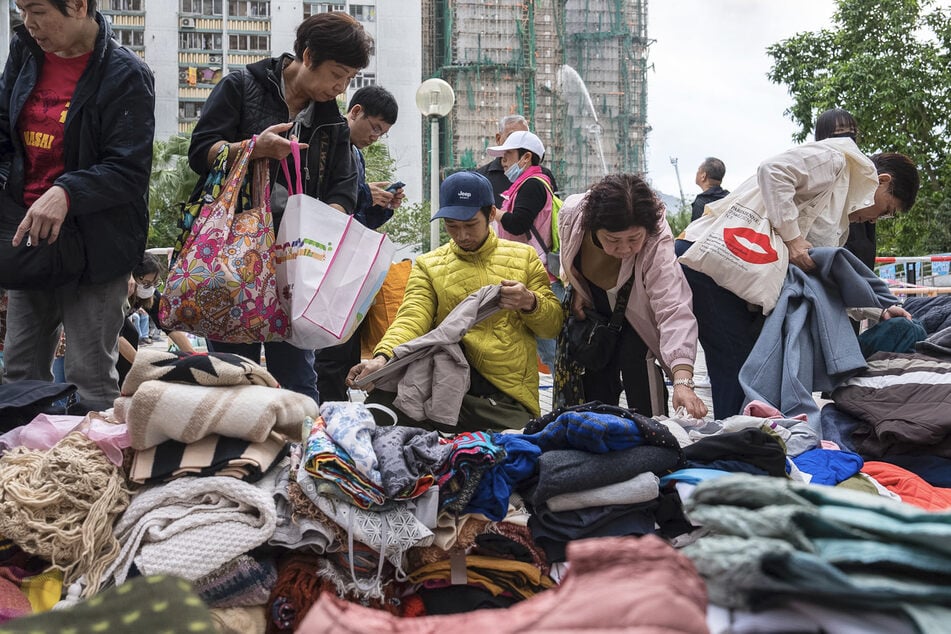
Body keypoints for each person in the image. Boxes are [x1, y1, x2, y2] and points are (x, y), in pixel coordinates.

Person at [186, 11, 373, 403]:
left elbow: (344, 188)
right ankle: (237, 458)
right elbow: (201, 151)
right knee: (233, 374)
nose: (340, 87)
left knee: (299, 381)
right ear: (307, 56)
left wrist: (325, 222)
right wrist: (252, 149)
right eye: (337, 74)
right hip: (234, 258)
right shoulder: (241, 86)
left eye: (349, 79)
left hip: (294, 267)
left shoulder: (333, 122)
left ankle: (303, 459)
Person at [675, 137, 920, 419]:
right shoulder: (836, 160)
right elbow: (772, 171)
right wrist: (792, 239)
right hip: (709, 263)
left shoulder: (839, 217)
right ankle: (736, 446)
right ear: (883, 181)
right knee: (739, 364)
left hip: (730, 275)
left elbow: (825, 278)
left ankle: (741, 441)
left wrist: (879, 309)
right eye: (886, 210)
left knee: (751, 364)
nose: (876, 219)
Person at [0, 0, 155, 412]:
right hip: (29, 238)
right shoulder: (25, 53)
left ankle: (89, 474)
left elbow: (129, 169)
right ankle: (21, 473)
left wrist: (67, 191)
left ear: (77, 5)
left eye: (37, 10)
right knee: (19, 371)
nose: (28, 23)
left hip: (97, 247)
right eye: (21, 11)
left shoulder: (126, 74)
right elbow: (4, 133)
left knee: (89, 377)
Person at [347, 171, 562, 432]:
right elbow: (411, 318)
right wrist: (381, 359)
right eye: (452, 225)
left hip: (507, 393)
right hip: (441, 382)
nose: (461, 235)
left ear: (491, 214)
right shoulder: (429, 265)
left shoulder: (525, 257)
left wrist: (530, 302)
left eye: (470, 224)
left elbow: (552, 326)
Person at [559, 173, 707, 419]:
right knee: (596, 379)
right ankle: (596, 442)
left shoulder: (656, 238)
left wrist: (683, 380)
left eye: (634, 239)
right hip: (595, 308)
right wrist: (576, 286)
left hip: (637, 308)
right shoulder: (573, 215)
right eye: (613, 240)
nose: (625, 249)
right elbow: (569, 254)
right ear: (593, 228)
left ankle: (656, 437)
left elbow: (674, 306)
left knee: (638, 364)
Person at [314, 84, 404, 403]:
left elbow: (358, 220)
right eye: (375, 127)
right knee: (330, 356)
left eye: (382, 133)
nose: (375, 136)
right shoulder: (328, 140)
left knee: (344, 353)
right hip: (326, 268)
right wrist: (366, 193)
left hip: (346, 268)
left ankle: (337, 409)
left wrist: (382, 206)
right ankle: (328, 413)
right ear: (355, 112)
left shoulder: (355, 154)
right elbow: (323, 202)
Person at [487, 130, 561, 371]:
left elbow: (517, 223)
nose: (503, 161)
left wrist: (493, 212)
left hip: (539, 277)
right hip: (531, 273)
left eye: (508, 154)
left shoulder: (532, 185)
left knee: (552, 351)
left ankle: (569, 404)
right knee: (548, 351)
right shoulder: (526, 184)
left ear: (526, 157)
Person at [814, 108, 878, 270]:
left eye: (852, 131)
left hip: (860, 251)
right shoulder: (816, 168)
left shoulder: (863, 167)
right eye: (840, 131)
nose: (848, 136)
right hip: (828, 249)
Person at [476, 114, 558, 207]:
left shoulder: (543, 176)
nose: (518, 142)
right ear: (498, 139)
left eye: (525, 137)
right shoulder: (482, 178)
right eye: (513, 136)